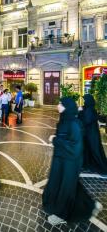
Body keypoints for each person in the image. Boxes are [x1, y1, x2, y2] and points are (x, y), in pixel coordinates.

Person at [42, 97, 102, 226]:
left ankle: (62, 214)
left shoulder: (74, 123)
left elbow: (75, 147)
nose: (58, 106)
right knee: (68, 185)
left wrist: (55, 140)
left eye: (60, 104)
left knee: (66, 186)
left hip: (70, 162)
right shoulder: (64, 120)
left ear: (67, 107)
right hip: (61, 160)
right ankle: (90, 205)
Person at [79, 94, 107, 175]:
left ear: (88, 101)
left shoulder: (90, 110)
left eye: (85, 100)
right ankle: (88, 165)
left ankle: (102, 168)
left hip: (92, 135)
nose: (84, 102)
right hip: (88, 135)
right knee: (88, 150)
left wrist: (80, 112)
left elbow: (86, 121)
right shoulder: (88, 108)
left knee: (95, 151)